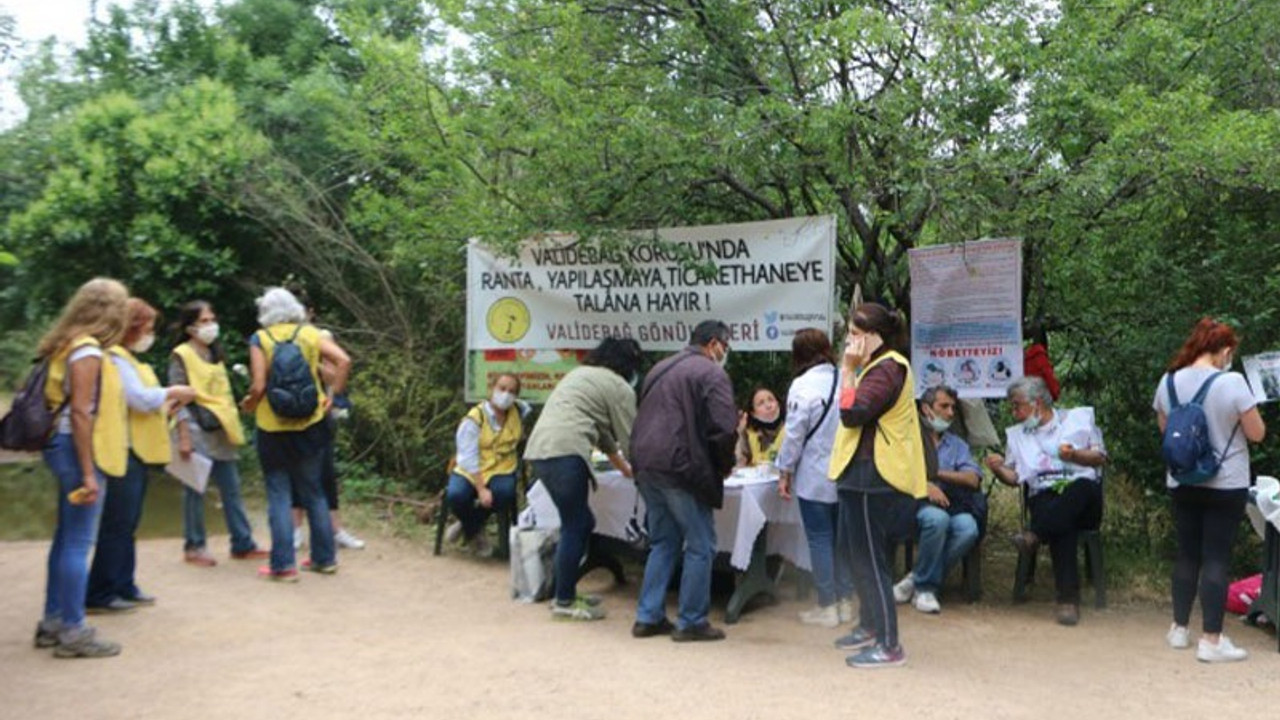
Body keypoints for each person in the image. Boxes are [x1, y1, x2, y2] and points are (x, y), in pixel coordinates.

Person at [1153, 318, 1265, 662]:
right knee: (1216, 557)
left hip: (1182, 481)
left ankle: (1179, 629)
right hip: (1225, 482)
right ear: (1225, 350)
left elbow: (1165, 430)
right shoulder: (1232, 382)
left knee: (1187, 554)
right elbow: (1256, 433)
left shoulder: (1168, 380)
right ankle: (1212, 640)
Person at [33, 278, 130, 658]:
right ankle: (73, 629)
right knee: (78, 542)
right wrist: (90, 472)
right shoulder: (87, 350)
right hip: (77, 450)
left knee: (65, 537)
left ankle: (53, 621)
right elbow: (81, 412)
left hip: (59, 445)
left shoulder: (65, 344)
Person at [827, 303, 926, 668]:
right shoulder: (873, 367)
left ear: (873, 336)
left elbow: (852, 413)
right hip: (858, 474)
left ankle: (889, 645)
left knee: (871, 561)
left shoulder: (888, 369)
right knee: (855, 556)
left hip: (876, 476)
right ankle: (869, 626)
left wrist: (848, 370)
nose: (849, 341)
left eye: (855, 334)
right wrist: (853, 369)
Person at [85, 299, 196, 613]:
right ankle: (100, 592)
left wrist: (167, 403)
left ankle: (123, 584)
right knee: (117, 523)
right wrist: (173, 393)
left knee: (128, 522)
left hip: (139, 448)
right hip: (125, 448)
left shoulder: (129, 360)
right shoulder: (115, 359)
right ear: (131, 328)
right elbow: (137, 399)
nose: (150, 334)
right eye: (146, 328)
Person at [631, 320, 738, 642]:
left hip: (646, 463)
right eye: (726, 346)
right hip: (681, 466)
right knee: (701, 544)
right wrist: (725, 464)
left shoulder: (660, 367)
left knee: (663, 541)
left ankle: (648, 616)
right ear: (714, 343)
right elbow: (724, 427)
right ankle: (691, 621)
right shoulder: (711, 372)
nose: (725, 353)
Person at [524, 337, 642, 620]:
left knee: (580, 521)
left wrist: (625, 469)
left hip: (541, 452)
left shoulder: (579, 375)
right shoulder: (618, 387)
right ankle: (563, 601)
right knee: (576, 524)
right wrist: (644, 470)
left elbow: (602, 433)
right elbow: (631, 440)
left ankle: (564, 591)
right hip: (566, 454)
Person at [240, 287, 351, 581]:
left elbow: (259, 385)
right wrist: (333, 398)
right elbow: (344, 361)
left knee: (279, 492)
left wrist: (249, 404)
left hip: (272, 427)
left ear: (264, 311)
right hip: (310, 424)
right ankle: (324, 559)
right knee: (314, 491)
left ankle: (283, 565)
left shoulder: (260, 339)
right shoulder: (310, 334)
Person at [985, 375, 1106, 626]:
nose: (1014, 412)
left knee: (1081, 487)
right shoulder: (1018, 436)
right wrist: (998, 469)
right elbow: (1015, 477)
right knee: (1062, 521)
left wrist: (1074, 454)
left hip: (1085, 499)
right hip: (1047, 499)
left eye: (1018, 405)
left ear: (1037, 403)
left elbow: (1100, 459)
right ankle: (1067, 601)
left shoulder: (1076, 420)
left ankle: (1035, 535)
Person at [169, 300, 269, 567]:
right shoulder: (181, 354)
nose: (211, 325)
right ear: (190, 327)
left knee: (231, 488)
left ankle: (242, 543)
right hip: (194, 426)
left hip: (221, 427)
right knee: (195, 490)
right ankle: (194, 546)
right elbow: (176, 397)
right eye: (204, 321)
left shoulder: (215, 354)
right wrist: (184, 437)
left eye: (212, 319)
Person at [775, 328, 852, 628]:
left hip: (814, 476)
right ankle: (846, 603)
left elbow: (794, 434)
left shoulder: (802, 386)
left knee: (820, 540)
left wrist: (785, 471)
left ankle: (827, 606)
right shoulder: (847, 377)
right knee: (842, 541)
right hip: (845, 473)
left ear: (799, 355)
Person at [892, 385, 984, 615]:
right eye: (944, 406)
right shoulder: (908, 440)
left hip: (952, 504)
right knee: (937, 520)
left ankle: (915, 578)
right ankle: (926, 588)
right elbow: (893, 473)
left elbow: (973, 479)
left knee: (969, 528)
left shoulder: (957, 444)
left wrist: (935, 473)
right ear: (926, 409)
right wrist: (923, 485)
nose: (951, 413)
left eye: (953, 407)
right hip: (914, 506)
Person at [289, 289, 365, 552]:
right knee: (294, 472)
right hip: (290, 413)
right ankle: (295, 531)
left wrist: (311, 362)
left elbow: (335, 375)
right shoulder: (279, 338)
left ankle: (335, 530)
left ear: (311, 313)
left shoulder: (321, 338)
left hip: (320, 413)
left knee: (325, 473)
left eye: (303, 309)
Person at [444, 372, 529, 555]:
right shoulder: (475, 418)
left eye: (512, 391)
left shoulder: (518, 413)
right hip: (471, 468)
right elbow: (467, 456)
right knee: (456, 495)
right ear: (492, 389)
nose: (506, 394)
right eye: (502, 388)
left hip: (502, 468)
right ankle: (474, 531)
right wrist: (481, 489)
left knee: (504, 493)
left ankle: (467, 524)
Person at [735, 387, 786, 468]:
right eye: (760, 403)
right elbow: (739, 463)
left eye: (771, 400)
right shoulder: (748, 433)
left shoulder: (792, 428)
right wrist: (740, 432)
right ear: (753, 413)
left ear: (778, 403)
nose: (768, 406)